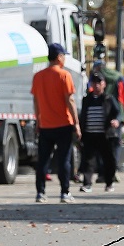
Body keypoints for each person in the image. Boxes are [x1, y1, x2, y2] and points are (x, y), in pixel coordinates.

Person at [31, 43, 81, 204]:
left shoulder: (38, 76)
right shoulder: (64, 75)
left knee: (43, 160)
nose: (65, 59)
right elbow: (70, 100)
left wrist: (38, 119)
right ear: (59, 57)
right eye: (64, 56)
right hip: (63, 125)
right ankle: (64, 192)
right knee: (63, 160)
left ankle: (40, 192)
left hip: (45, 125)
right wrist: (76, 123)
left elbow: (36, 101)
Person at [78, 72, 124, 193]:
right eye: (94, 82)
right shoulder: (87, 99)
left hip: (106, 135)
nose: (97, 85)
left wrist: (116, 121)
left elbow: (118, 113)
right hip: (89, 134)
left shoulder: (108, 99)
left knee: (108, 160)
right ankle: (87, 183)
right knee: (88, 160)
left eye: (99, 82)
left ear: (104, 84)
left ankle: (109, 183)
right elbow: (82, 115)